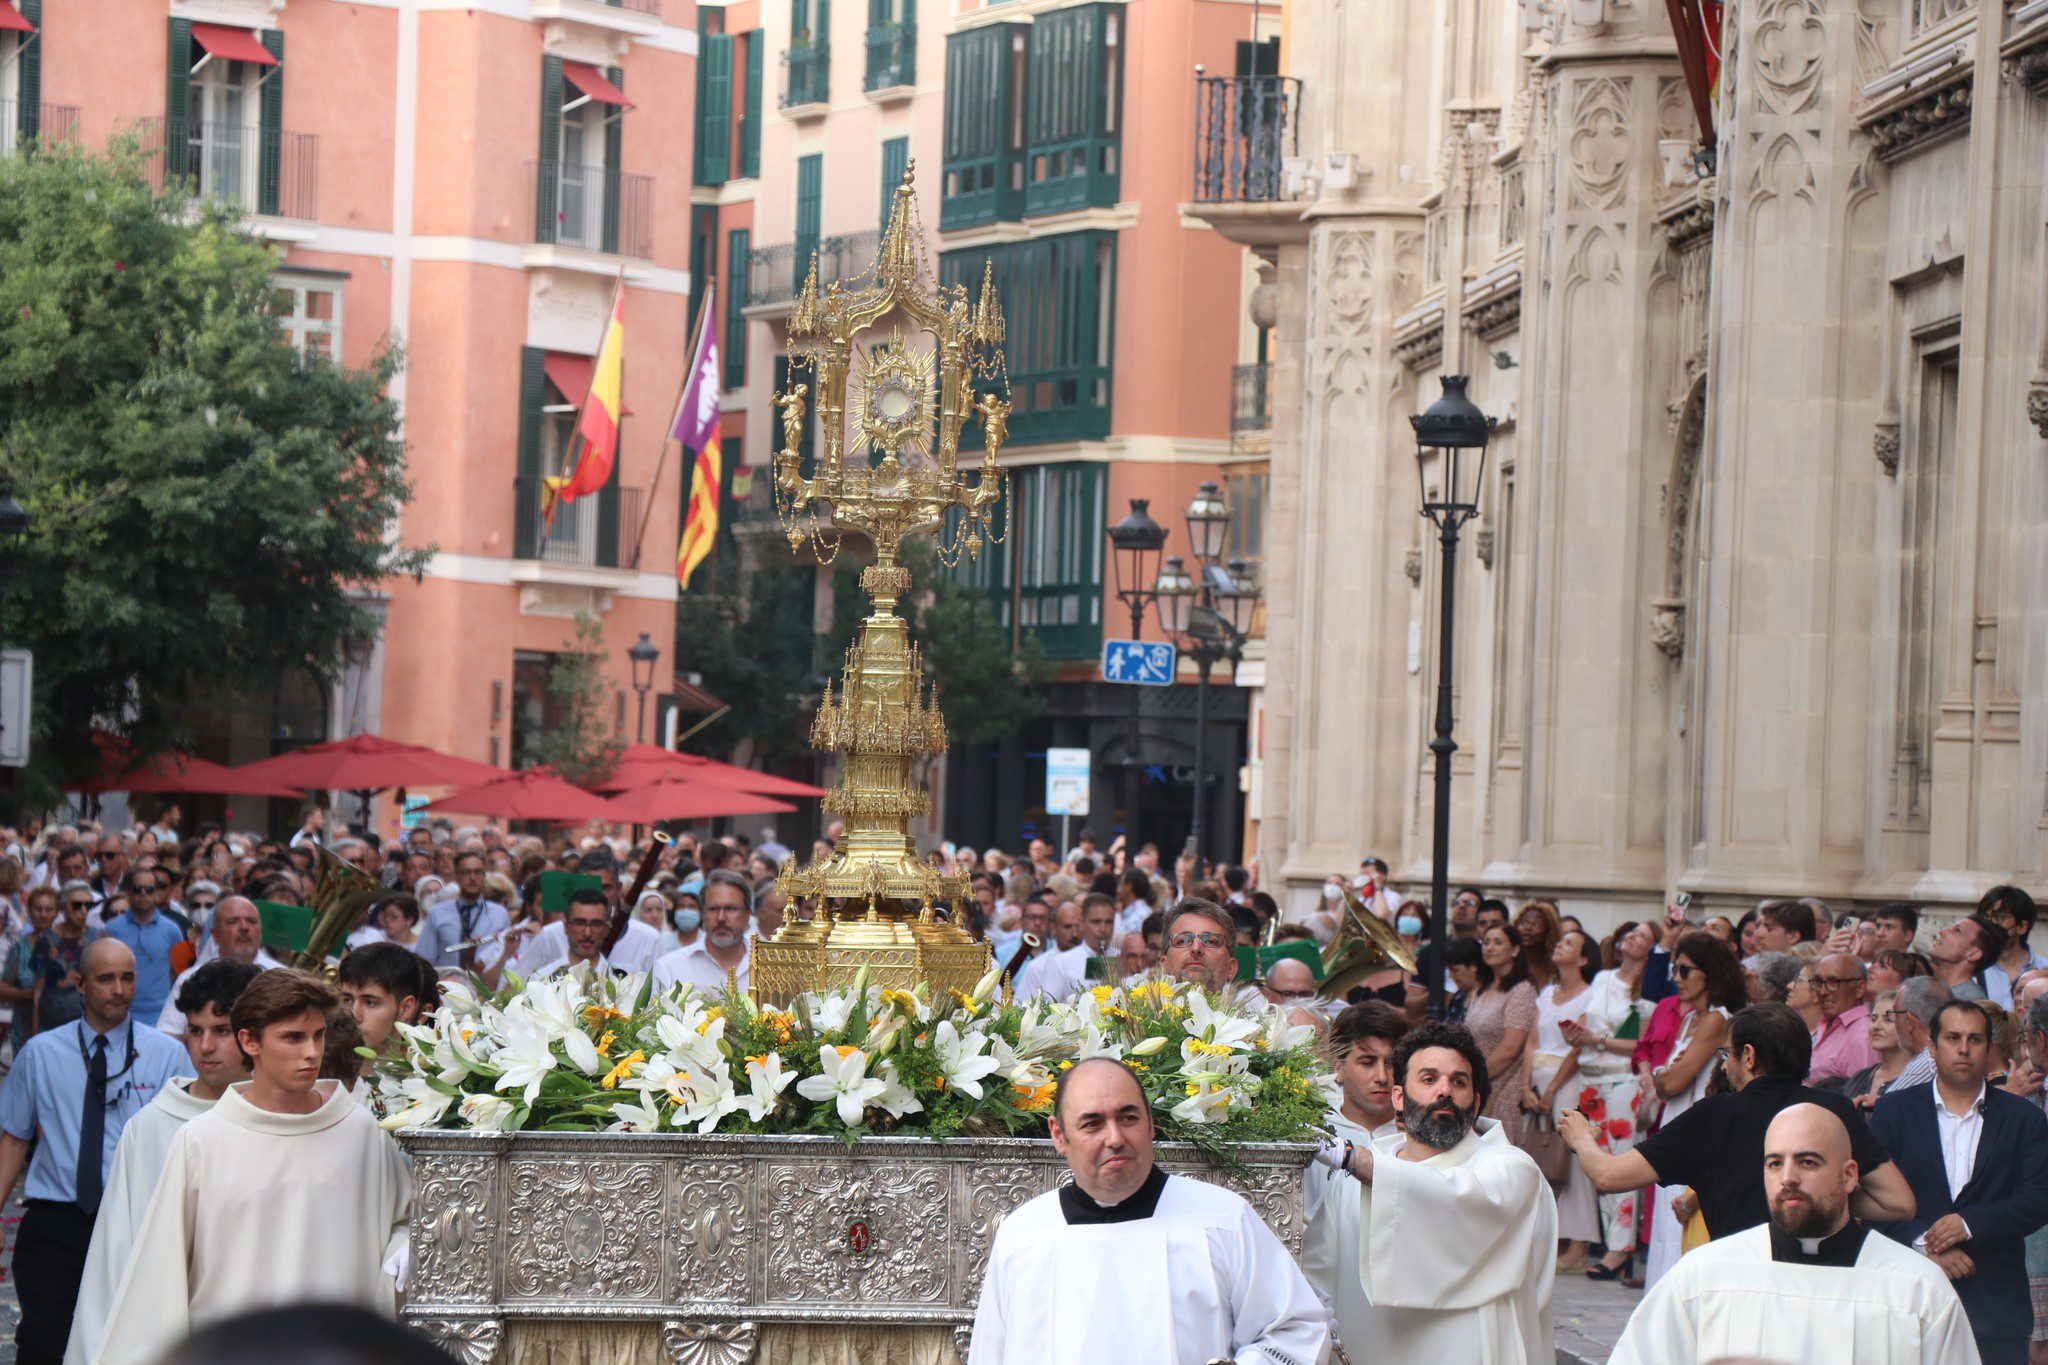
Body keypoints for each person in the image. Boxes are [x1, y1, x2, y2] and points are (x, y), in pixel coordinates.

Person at [96, 970, 412, 1363]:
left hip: (337, 1352)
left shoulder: (361, 1132)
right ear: (250, 1041)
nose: (312, 1052)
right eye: (293, 1037)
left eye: (318, 1035)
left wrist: (404, 1244)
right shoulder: (202, 1141)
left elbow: (406, 1222)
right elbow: (160, 1275)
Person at [967, 1057, 1328, 1364]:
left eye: (1128, 1118)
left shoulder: (1221, 1221)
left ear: (1151, 1124)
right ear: (1059, 1135)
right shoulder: (1025, 1235)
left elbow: (1296, 1331)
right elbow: (988, 1354)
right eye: (1093, 1123)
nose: (1114, 1138)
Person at [1609, 1103, 1977, 1365]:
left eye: (1808, 1162)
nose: (1788, 1178)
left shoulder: (1916, 1289)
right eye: (1774, 1163)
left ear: (1850, 1175)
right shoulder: (1703, 1277)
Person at [1563, 1003, 1914, 1244]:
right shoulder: (1832, 1108)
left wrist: (1581, 1137)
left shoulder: (1713, 1115)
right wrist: (1821, 1200)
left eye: (1725, 1054)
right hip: (1818, 1282)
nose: (1724, 1065)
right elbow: (1897, 1201)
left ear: (1748, 1056)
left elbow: (1609, 1176)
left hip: (1736, 1281)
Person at [1310, 1020, 1556, 1362]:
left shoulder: (1511, 1169)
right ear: (1399, 1097)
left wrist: (1355, 1160)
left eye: (1459, 1081)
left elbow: (1456, 1197)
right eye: (1429, 1079)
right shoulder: (1349, 1184)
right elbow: (1317, 1272)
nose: (1445, 1091)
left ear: (1476, 1101)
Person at [0, 939, 188, 1365]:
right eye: (105, 979)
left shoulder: (168, 1054)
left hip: (134, 1216)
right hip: (56, 1217)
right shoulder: (41, 1053)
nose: (118, 989)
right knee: (45, 1337)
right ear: (81, 984)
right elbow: (13, 1138)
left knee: (127, 1338)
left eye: (127, 977)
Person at [65, 960, 262, 1365]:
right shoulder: (152, 1126)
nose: (205, 1047)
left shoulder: (283, 1122)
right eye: (195, 1030)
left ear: (253, 1034)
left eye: (221, 1031)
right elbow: (116, 1247)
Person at [1872, 999, 2048, 1365]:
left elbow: (2039, 1198)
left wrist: (1968, 1224)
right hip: (1908, 1302)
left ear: (1989, 1048)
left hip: (1996, 1307)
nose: (1964, 1048)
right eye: (1952, 1038)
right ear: (1932, 1047)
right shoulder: (1893, 1110)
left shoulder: (2024, 1118)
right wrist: (1925, 1243)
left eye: (1975, 1039)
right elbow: (1869, 1198)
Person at [1642, 930, 1745, 1287]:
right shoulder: (1690, 1020)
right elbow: (1668, 1079)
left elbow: (1671, 1083)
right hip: (1675, 1120)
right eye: (1675, 970)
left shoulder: (1718, 1019)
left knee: (1683, 1225)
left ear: (1711, 972)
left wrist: (1662, 1075)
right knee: (1665, 1227)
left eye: (1685, 970)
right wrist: (1665, 1075)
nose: (1677, 979)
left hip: (1697, 1128)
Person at [1302, 1001, 1406, 1352]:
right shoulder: (1309, 1135)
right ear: (1339, 1068)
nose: (1382, 1076)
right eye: (1367, 1061)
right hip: (1329, 1302)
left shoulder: (1422, 1139)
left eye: (1392, 1063)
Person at [1526, 929, 1600, 1271]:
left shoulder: (1590, 995)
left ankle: (1580, 1245)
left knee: (1572, 1155)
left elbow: (1577, 1047)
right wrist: (1528, 1084)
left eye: (1569, 943)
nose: (1559, 945)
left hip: (1567, 1079)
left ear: (1583, 959)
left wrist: (1553, 1089)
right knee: (1541, 1157)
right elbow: (1531, 1041)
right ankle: (1551, 1239)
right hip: (1537, 1077)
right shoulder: (1546, 993)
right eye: (1560, 941)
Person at [1464, 924, 1536, 1145]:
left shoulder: (1522, 990)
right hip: (1477, 1085)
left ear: (1515, 950)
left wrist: (1473, 1078)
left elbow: (1511, 1049)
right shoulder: (1482, 988)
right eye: (1486, 942)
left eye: (1498, 942)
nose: (1490, 947)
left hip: (1504, 1088)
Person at [651, 870, 753, 996]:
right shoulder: (669, 969)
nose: (721, 918)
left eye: (730, 909)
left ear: (748, 914)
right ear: (703, 913)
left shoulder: (768, 968)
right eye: (713, 909)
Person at [100, 877, 183, 1027]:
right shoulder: (110, 928)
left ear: (156, 893)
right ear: (129, 892)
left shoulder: (172, 930)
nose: (143, 893)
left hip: (161, 1015)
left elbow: (181, 974)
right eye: (138, 889)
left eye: (149, 889)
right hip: (121, 1013)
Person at [411, 850, 510, 974]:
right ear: (456, 876)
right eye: (465, 872)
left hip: (487, 987)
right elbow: (424, 959)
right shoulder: (437, 913)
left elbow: (507, 958)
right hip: (446, 987)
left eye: (478, 872)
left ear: (484, 875)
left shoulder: (500, 914)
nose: (472, 878)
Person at [1016, 893, 1117, 1002]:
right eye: (1096, 922)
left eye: (1109, 922)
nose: (1103, 929)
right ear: (1083, 923)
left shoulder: (1121, 958)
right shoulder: (1059, 963)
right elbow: (1048, 1006)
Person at [338, 943, 431, 1058]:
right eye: (347, 1000)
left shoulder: (430, 1074)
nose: (354, 1015)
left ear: (406, 1008)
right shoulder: (318, 1069)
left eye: (370, 1003)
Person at [1810, 951, 1881, 1083]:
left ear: (1860, 988)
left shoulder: (1862, 1036)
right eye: (1818, 982)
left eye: (1833, 982)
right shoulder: (1827, 1022)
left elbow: (1857, 1096)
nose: (1822, 991)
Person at [1842, 989, 1914, 1110]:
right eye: (1873, 1019)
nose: (1876, 1026)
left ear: (1910, 1024)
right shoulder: (1859, 1078)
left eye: (1888, 1019)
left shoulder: (1921, 1077)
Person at [1980, 887, 2046, 1011]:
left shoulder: (2044, 970)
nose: (1990, 924)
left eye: (1999, 917)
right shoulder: (1975, 970)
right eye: (1986, 918)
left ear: (2021, 927)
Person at [531, 892, 616, 980]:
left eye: (596, 924)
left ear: (606, 929)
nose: (587, 933)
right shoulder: (540, 979)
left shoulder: (621, 986)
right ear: (566, 927)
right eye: (579, 923)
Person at [1930, 914, 2004, 1005]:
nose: (1942, 932)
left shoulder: (1970, 1003)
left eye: (1957, 931)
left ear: (1973, 954)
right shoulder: (1931, 989)